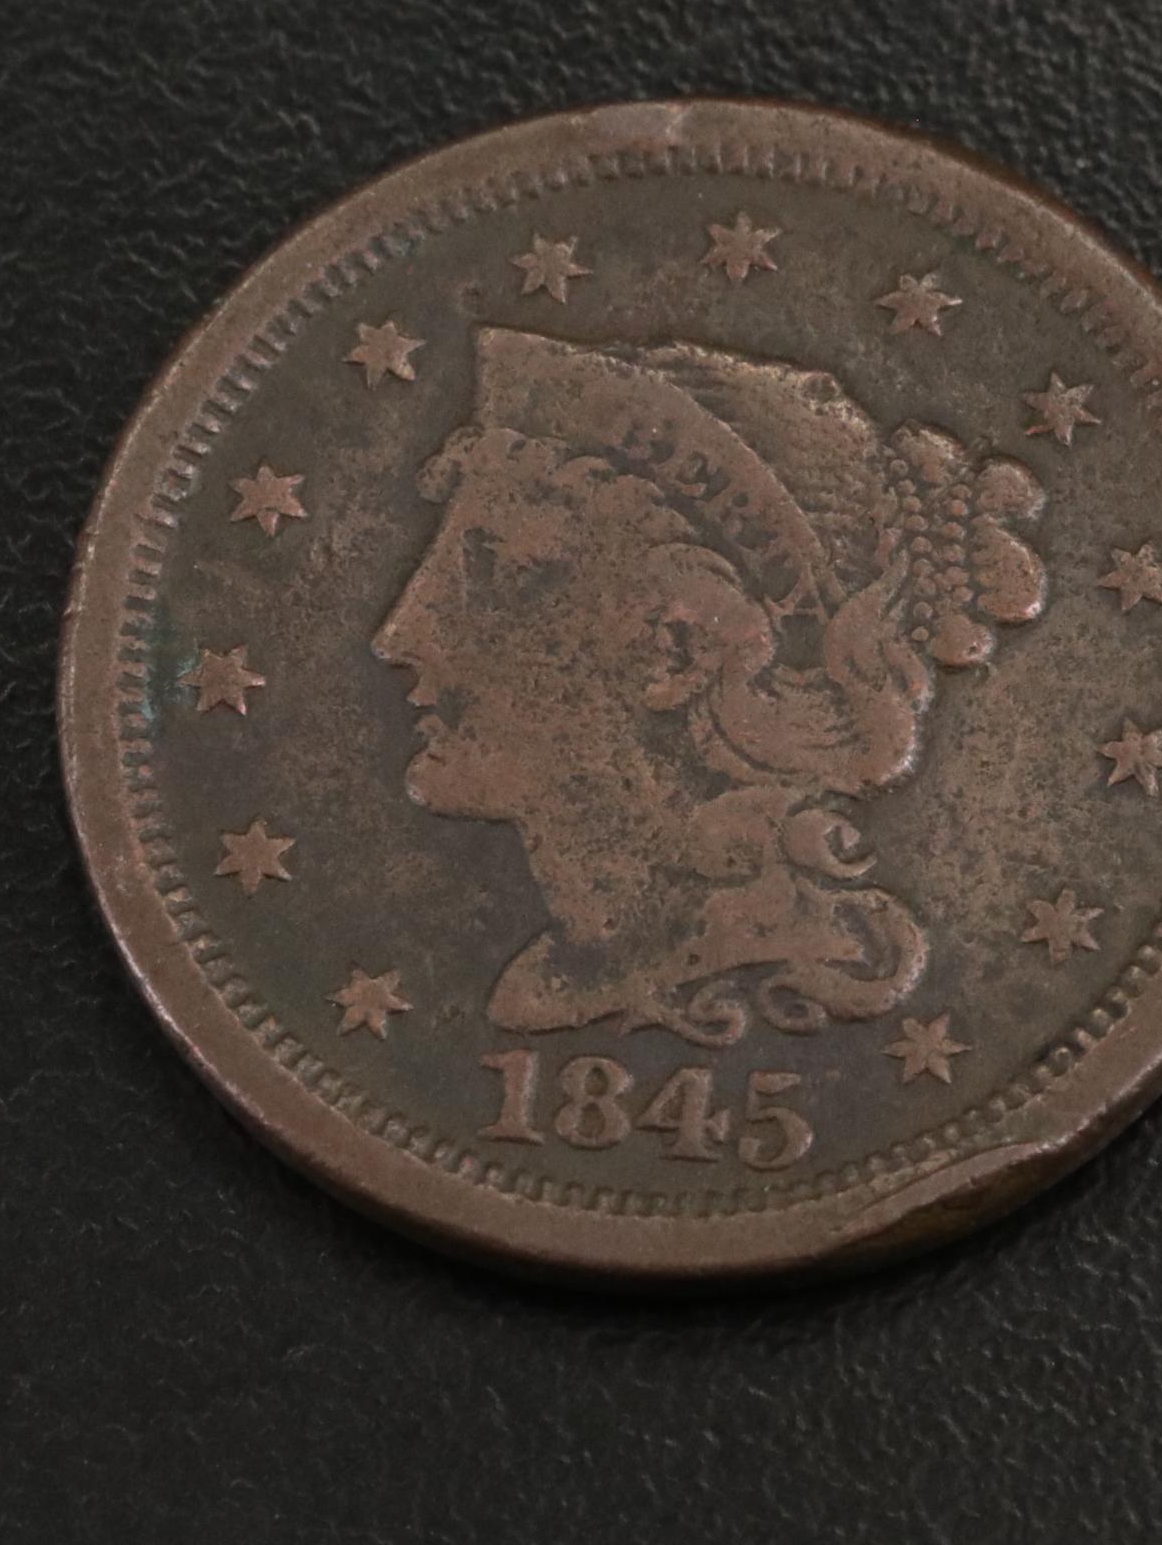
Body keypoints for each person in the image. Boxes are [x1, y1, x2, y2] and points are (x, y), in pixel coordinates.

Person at [373, 325, 1047, 1043]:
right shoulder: (552, 979)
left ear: (678, 654)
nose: (398, 637)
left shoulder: (782, 970)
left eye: (489, 579)